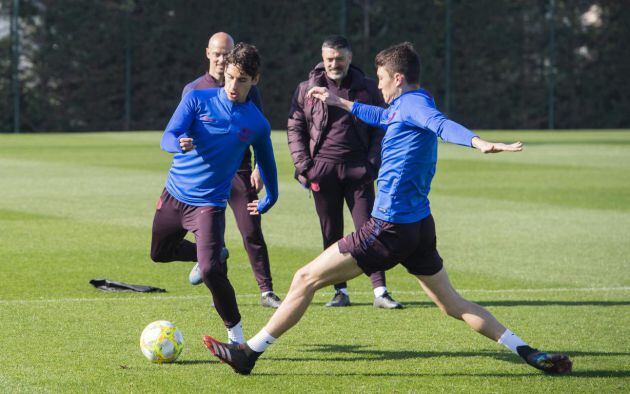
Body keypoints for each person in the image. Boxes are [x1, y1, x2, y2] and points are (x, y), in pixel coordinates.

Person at [203, 42, 572, 375]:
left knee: (304, 279)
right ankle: (527, 351)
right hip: (419, 227)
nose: (378, 85)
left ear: (397, 77)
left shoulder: (416, 106)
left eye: (381, 79)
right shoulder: (405, 105)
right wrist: (342, 103)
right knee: (451, 303)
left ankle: (248, 353)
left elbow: (440, 125)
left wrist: (478, 142)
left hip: (388, 227)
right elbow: (383, 117)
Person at [150, 43, 279, 345]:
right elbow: (168, 136)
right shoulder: (196, 99)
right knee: (159, 254)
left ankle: (237, 339)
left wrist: (270, 197)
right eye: (231, 77)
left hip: (209, 205)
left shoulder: (256, 123)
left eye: (242, 80)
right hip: (173, 196)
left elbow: (268, 163)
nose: (233, 85)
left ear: (255, 80)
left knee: (210, 271)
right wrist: (178, 141)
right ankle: (211, 252)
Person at [287, 35, 402, 309]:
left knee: (371, 230)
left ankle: (380, 291)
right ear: (322, 58)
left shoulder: (367, 88)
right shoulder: (307, 88)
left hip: (358, 170)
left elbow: (381, 128)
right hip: (322, 171)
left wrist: (372, 164)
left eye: (339, 58)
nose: (333, 64)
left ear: (349, 58)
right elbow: (295, 128)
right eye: (329, 59)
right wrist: (305, 167)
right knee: (331, 232)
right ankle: (340, 292)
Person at [182, 32, 281, 309]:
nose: (223, 58)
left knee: (251, 228)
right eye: (218, 53)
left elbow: (261, 131)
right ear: (208, 53)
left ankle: (266, 291)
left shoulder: (249, 87)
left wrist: (260, 167)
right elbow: (182, 133)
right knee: (215, 237)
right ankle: (221, 294)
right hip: (207, 175)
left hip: (240, 171)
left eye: (227, 52)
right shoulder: (195, 90)